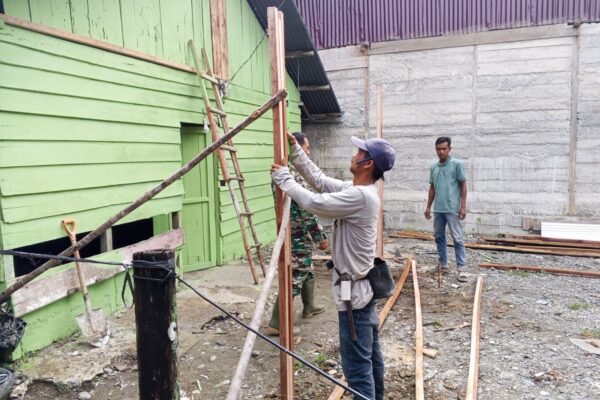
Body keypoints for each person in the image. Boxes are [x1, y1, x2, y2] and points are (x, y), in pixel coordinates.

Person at [272, 133, 396, 400]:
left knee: (357, 369)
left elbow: (314, 203)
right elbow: (319, 181)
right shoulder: (356, 191)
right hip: (360, 289)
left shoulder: (360, 197)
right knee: (370, 358)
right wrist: (296, 151)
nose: (354, 155)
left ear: (367, 164)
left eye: (359, 152)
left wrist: (284, 179)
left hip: (355, 296)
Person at [265, 132, 329, 336]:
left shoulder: (286, 171)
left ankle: (309, 307)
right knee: (295, 275)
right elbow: (305, 208)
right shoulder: (292, 175)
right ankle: (277, 323)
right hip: (297, 233)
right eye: (306, 148)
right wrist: (319, 237)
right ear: (297, 148)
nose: (308, 152)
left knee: (307, 269)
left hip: (294, 230)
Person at [424, 136, 468, 282]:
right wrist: (428, 206)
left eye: (444, 149)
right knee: (439, 237)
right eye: (438, 149)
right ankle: (443, 264)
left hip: (452, 209)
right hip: (439, 209)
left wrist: (463, 207)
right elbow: (432, 187)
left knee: (457, 238)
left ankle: (461, 269)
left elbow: (463, 185)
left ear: (449, 149)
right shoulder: (434, 167)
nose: (441, 152)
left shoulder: (457, 164)